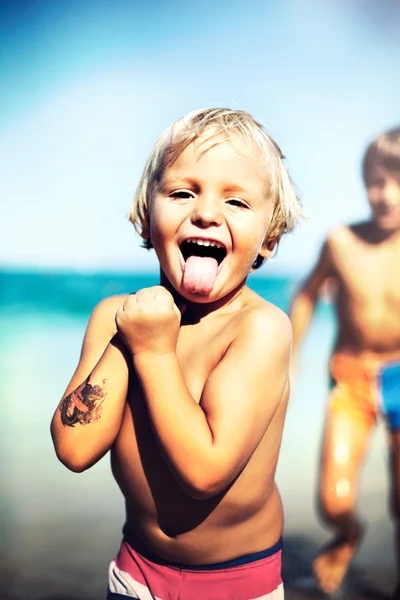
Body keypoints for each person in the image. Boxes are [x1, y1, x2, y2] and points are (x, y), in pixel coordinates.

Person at [51, 107, 302, 600]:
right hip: (137, 572)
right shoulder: (116, 320)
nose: (206, 212)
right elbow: (74, 448)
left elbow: (204, 473)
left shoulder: (260, 329)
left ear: (268, 239)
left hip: (238, 582)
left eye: (236, 201)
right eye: (183, 193)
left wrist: (154, 352)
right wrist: (129, 339)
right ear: (148, 220)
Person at [289, 126, 400, 598]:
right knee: (332, 499)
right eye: (376, 181)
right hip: (350, 378)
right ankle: (347, 533)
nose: (386, 194)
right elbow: (307, 295)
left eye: (398, 180)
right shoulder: (341, 242)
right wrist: (290, 357)